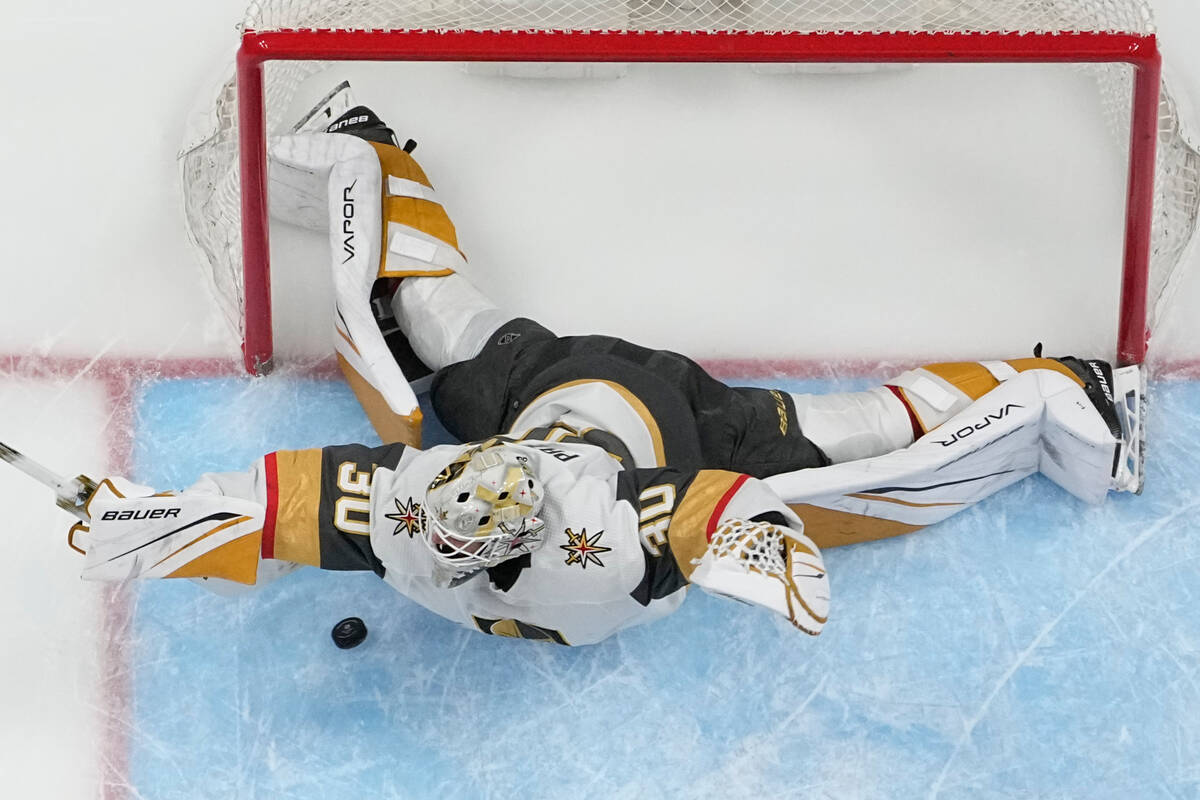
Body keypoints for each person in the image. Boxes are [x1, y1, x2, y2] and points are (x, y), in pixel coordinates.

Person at [64, 87, 1141, 645]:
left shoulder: (589, 522)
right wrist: (163, 523)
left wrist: (760, 542)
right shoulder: (406, 504)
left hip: (643, 404)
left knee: (855, 439)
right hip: (549, 390)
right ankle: (363, 146)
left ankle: (1068, 397)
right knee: (417, 314)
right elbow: (272, 502)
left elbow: (712, 503)